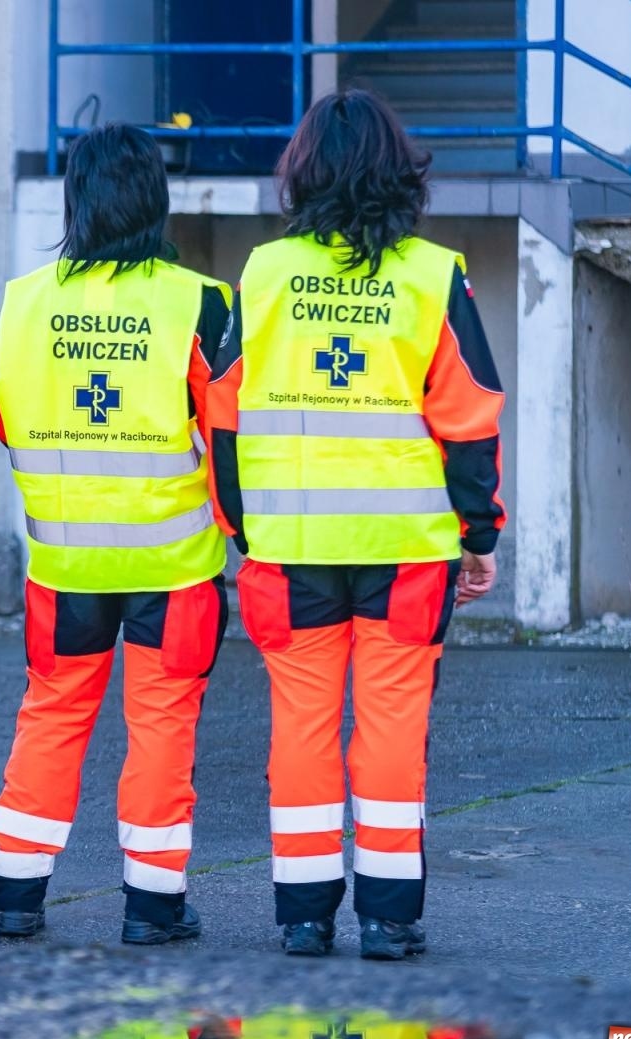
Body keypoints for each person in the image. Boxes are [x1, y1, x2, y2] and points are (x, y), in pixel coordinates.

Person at [207, 89, 507, 960]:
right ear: (395, 172)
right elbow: (470, 419)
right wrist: (479, 535)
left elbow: (221, 417)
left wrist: (240, 528)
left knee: (300, 728)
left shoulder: (261, 274)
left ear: (302, 172)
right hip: (406, 553)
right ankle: (388, 917)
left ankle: (303, 915)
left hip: (289, 551)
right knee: (391, 731)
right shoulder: (431, 274)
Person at [0, 124, 232, 945]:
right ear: (153, 199)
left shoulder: (23, 301)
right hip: (173, 562)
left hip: (64, 563)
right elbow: (228, 433)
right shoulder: (199, 301)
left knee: (51, 712)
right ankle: (153, 905)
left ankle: (16, 889)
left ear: (76, 199)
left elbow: (0, 415)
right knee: (161, 722)